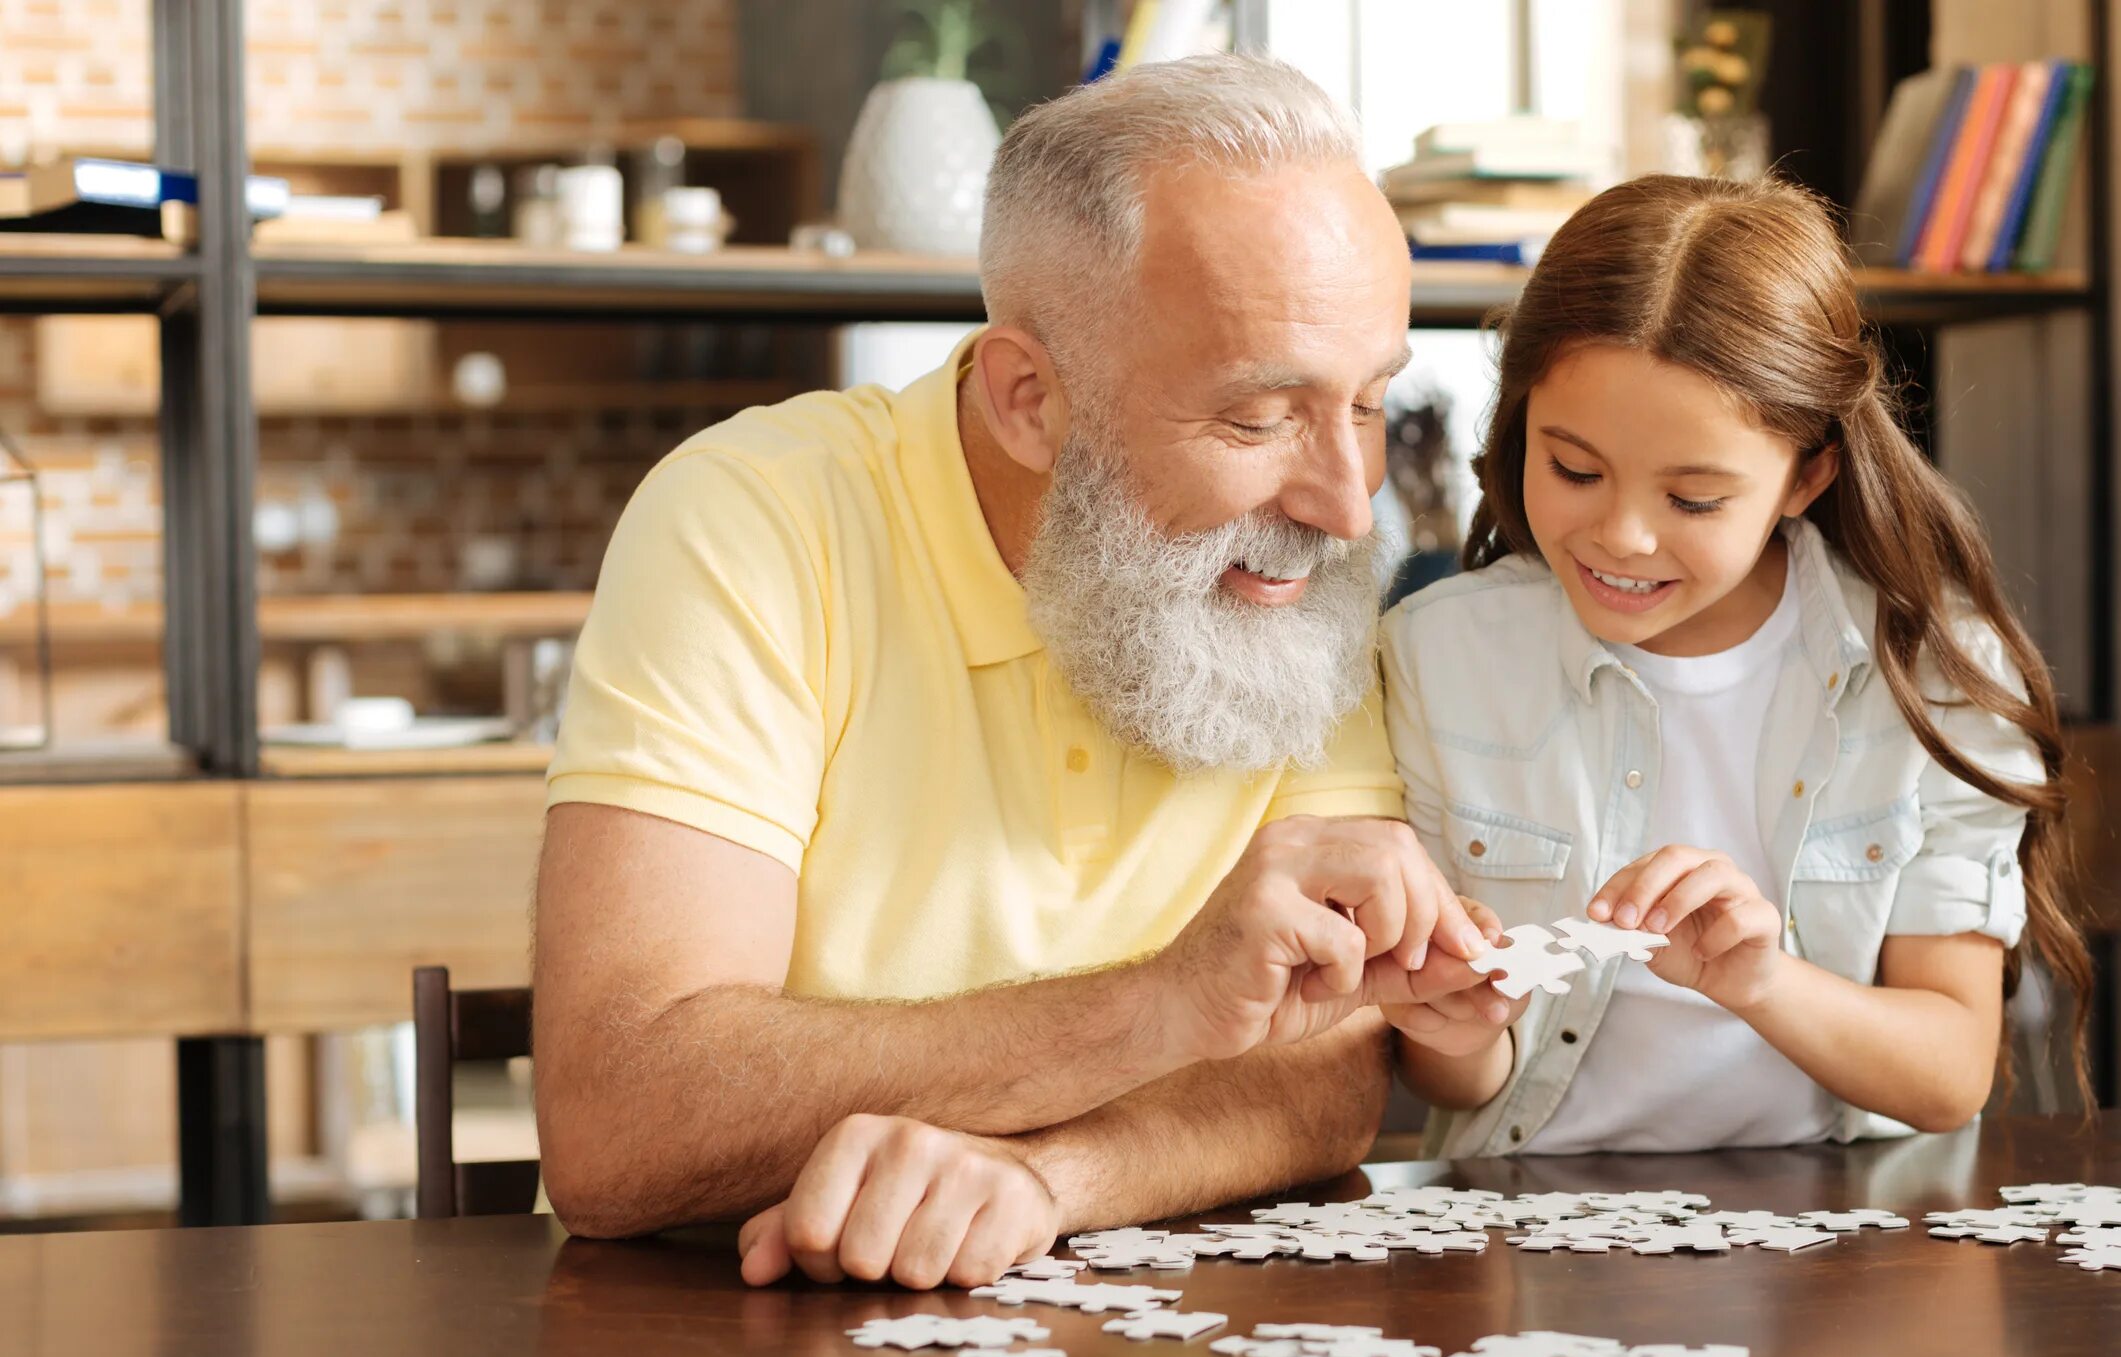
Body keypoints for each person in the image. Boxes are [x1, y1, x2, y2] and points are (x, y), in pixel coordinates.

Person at [532, 53, 1512, 1288]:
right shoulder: (752, 519)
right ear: (1029, 399)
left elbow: (1328, 1067)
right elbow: (618, 1121)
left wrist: (1049, 1183)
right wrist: (1159, 1009)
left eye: (1369, 402)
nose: (1349, 504)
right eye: (1258, 421)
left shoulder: (1290, 571)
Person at [1382, 173, 2091, 1157]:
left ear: (1808, 473)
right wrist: (1456, 1028)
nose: (1621, 536)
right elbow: (1451, 1077)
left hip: (1841, 1245)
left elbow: (1949, 1074)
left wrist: (1761, 978)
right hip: (1524, 1232)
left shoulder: (1935, 671)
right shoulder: (1435, 652)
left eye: (1696, 499)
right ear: (1521, 419)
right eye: (1575, 470)